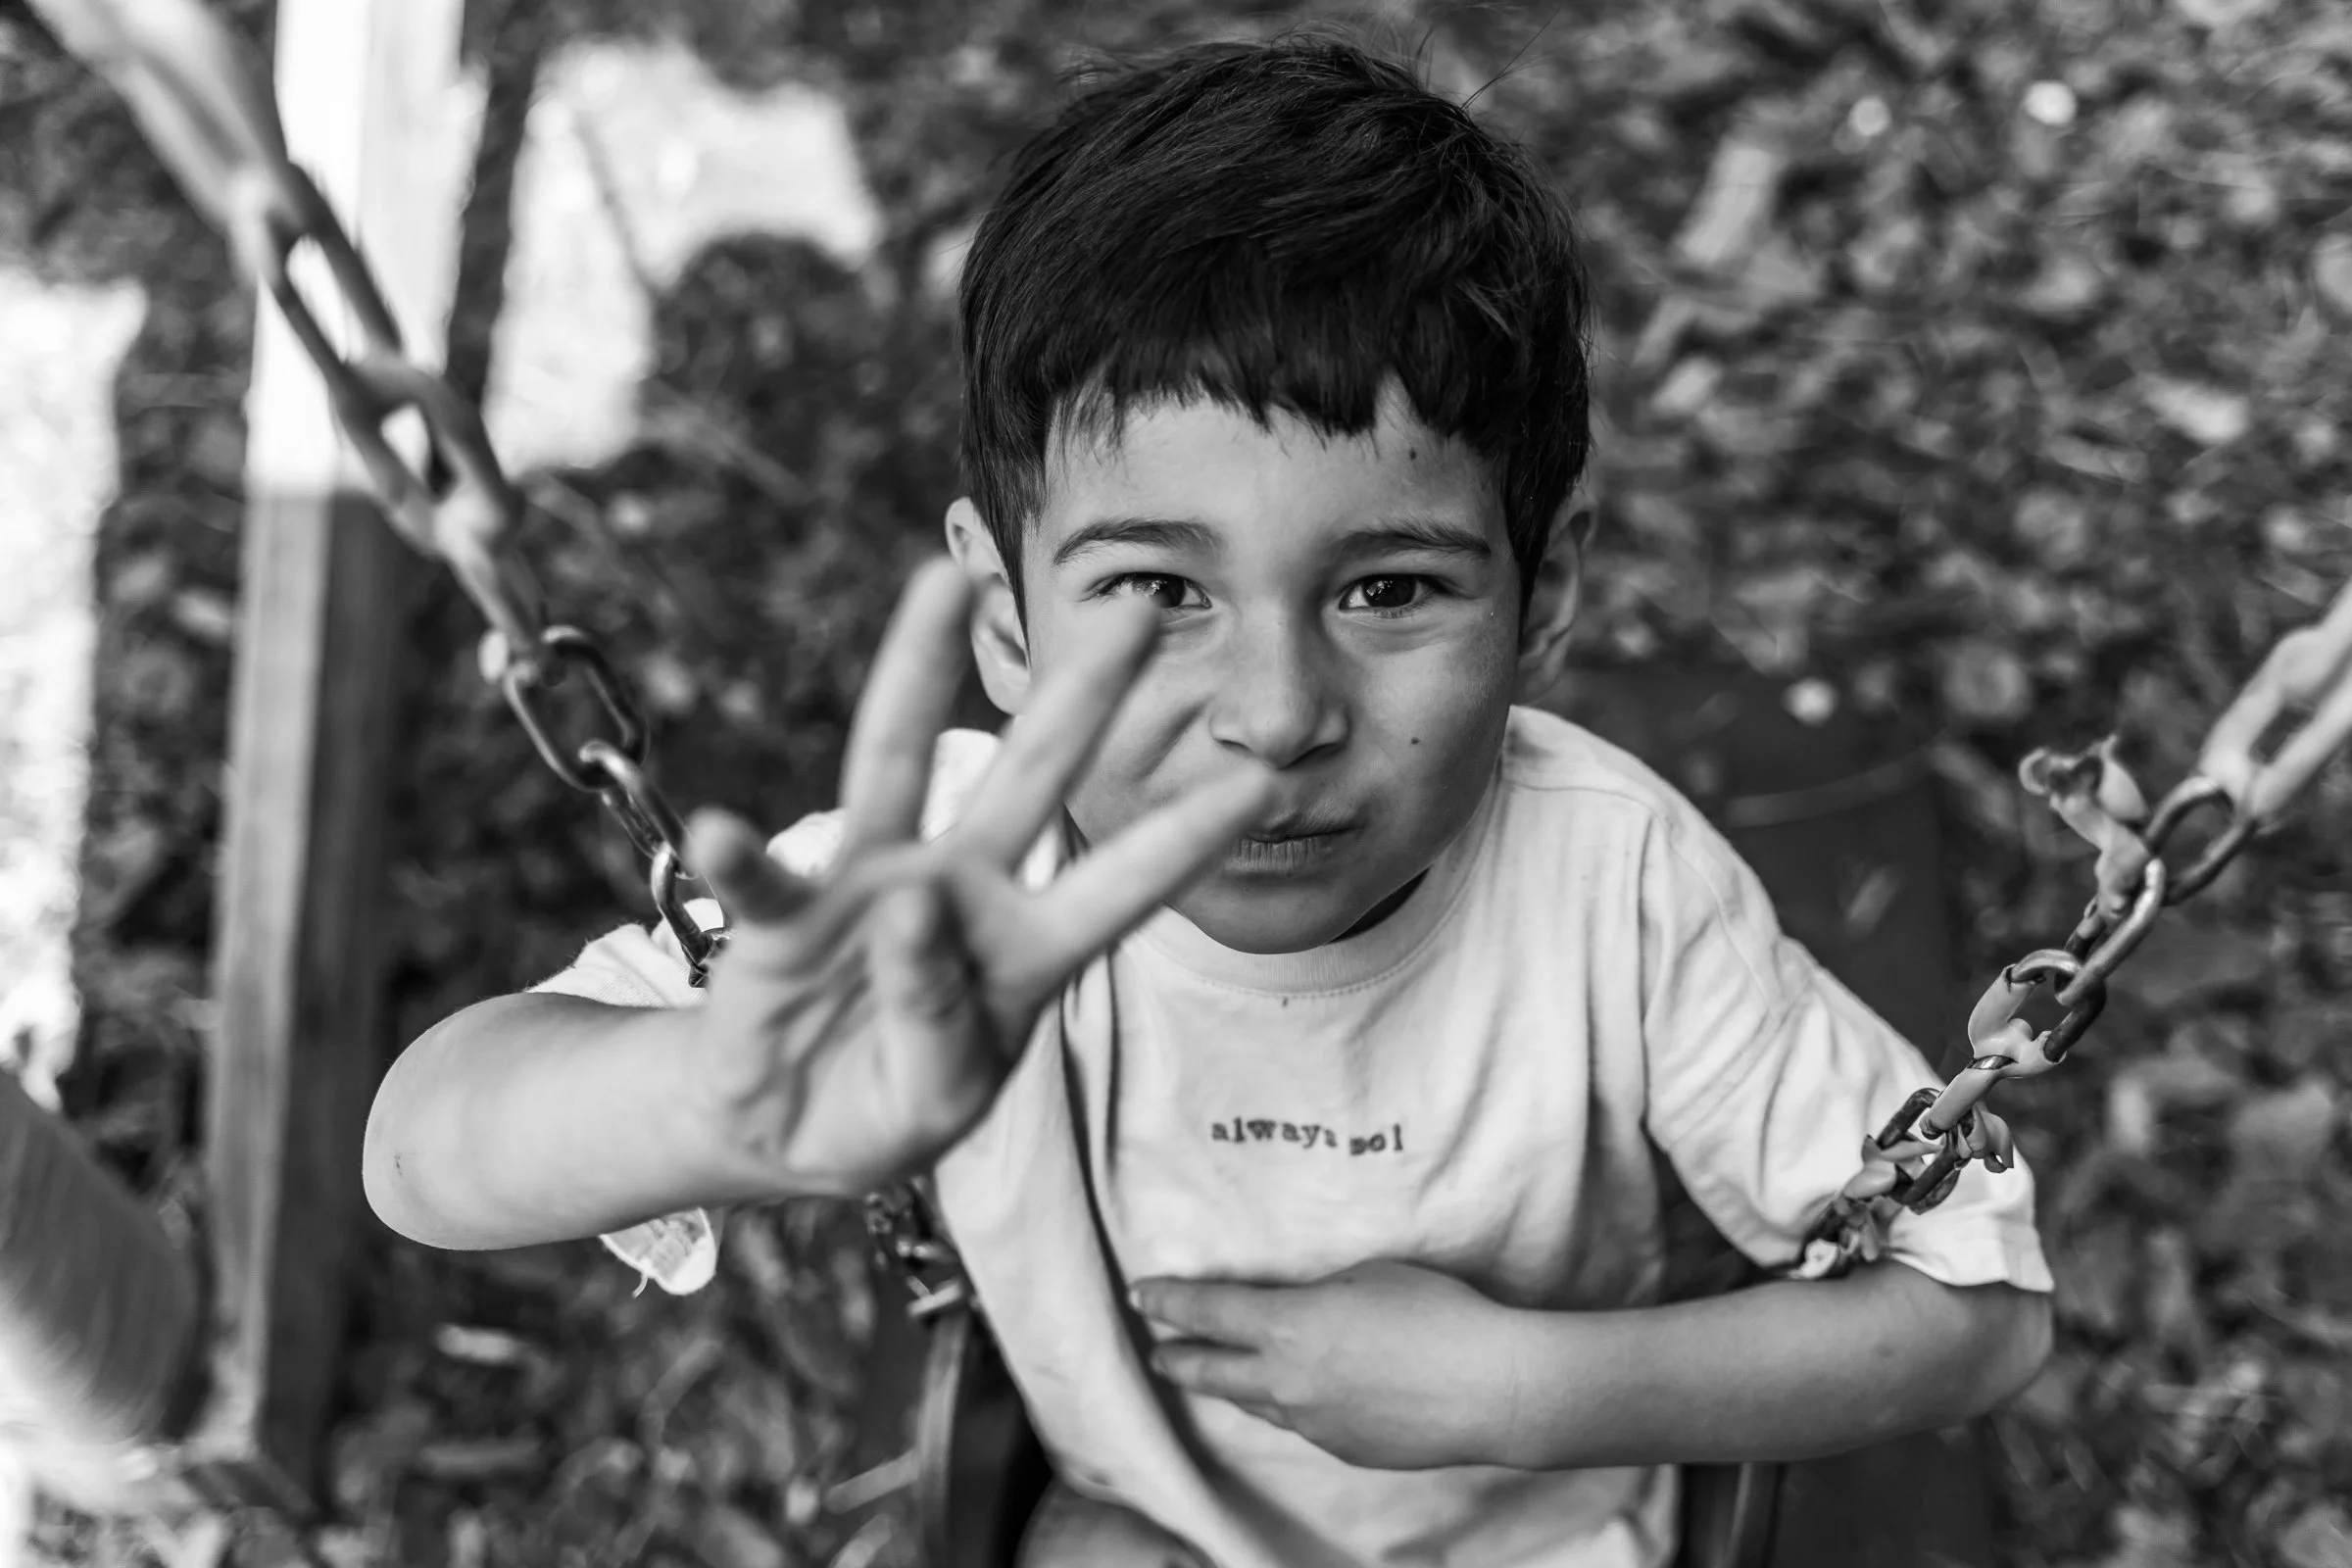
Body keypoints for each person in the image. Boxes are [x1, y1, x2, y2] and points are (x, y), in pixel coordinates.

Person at [364, 32, 2054, 1568]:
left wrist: (1526, 1392)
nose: (1272, 717)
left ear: (1543, 603)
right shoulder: (950, 888)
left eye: (1388, 590)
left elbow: (1977, 1313)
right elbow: (425, 1156)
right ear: (1008, 618)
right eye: (1158, 592)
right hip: (1140, 1522)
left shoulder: (1617, 892)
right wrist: (713, 1100)